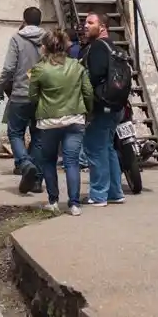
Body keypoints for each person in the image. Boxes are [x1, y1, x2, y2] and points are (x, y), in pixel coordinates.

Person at [27, 28, 94, 216]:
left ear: (46, 47)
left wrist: (41, 105)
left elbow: (32, 96)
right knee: (72, 162)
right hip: (75, 119)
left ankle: (53, 201)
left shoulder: (39, 69)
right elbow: (88, 92)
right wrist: (88, 112)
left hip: (49, 122)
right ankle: (74, 205)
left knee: (48, 161)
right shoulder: (77, 66)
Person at [0, 7, 46, 192]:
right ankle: (37, 181)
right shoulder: (48, 39)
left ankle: (25, 164)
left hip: (20, 95)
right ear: (40, 21)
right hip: (42, 96)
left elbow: (9, 68)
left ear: (24, 20)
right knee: (39, 137)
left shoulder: (17, 39)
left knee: (15, 133)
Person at [80, 12, 127, 207]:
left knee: (94, 148)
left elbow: (95, 76)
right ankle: (115, 192)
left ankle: (99, 194)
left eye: (90, 22)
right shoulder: (113, 46)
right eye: (85, 22)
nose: (85, 25)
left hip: (102, 106)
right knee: (107, 148)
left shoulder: (98, 46)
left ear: (102, 27)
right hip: (116, 106)